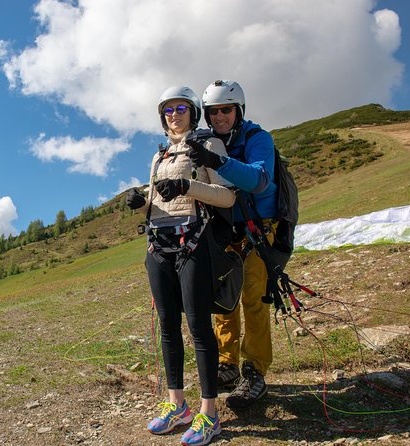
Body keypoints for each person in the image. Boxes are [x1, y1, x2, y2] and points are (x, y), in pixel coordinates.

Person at [126, 86, 235, 445]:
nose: (174, 114)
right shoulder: (158, 157)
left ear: (192, 111)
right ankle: (178, 405)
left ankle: (209, 414)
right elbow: (159, 204)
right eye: (168, 109)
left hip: (193, 241)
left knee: (199, 326)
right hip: (158, 245)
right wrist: (141, 203)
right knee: (168, 326)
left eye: (181, 107)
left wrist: (187, 185)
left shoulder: (208, 146)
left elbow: (227, 196)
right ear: (163, 116)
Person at [185, 79, 279, 409]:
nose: (220, 117)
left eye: (226, 110)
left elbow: (259, 179)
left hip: (257, 232)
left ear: (239, 110)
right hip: (222, 235)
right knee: (224, 300)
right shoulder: (206, 142)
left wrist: (220, 163)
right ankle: (227, 364)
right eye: (213, 112)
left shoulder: (257, 139)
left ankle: (254, 371)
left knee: (253, 298)